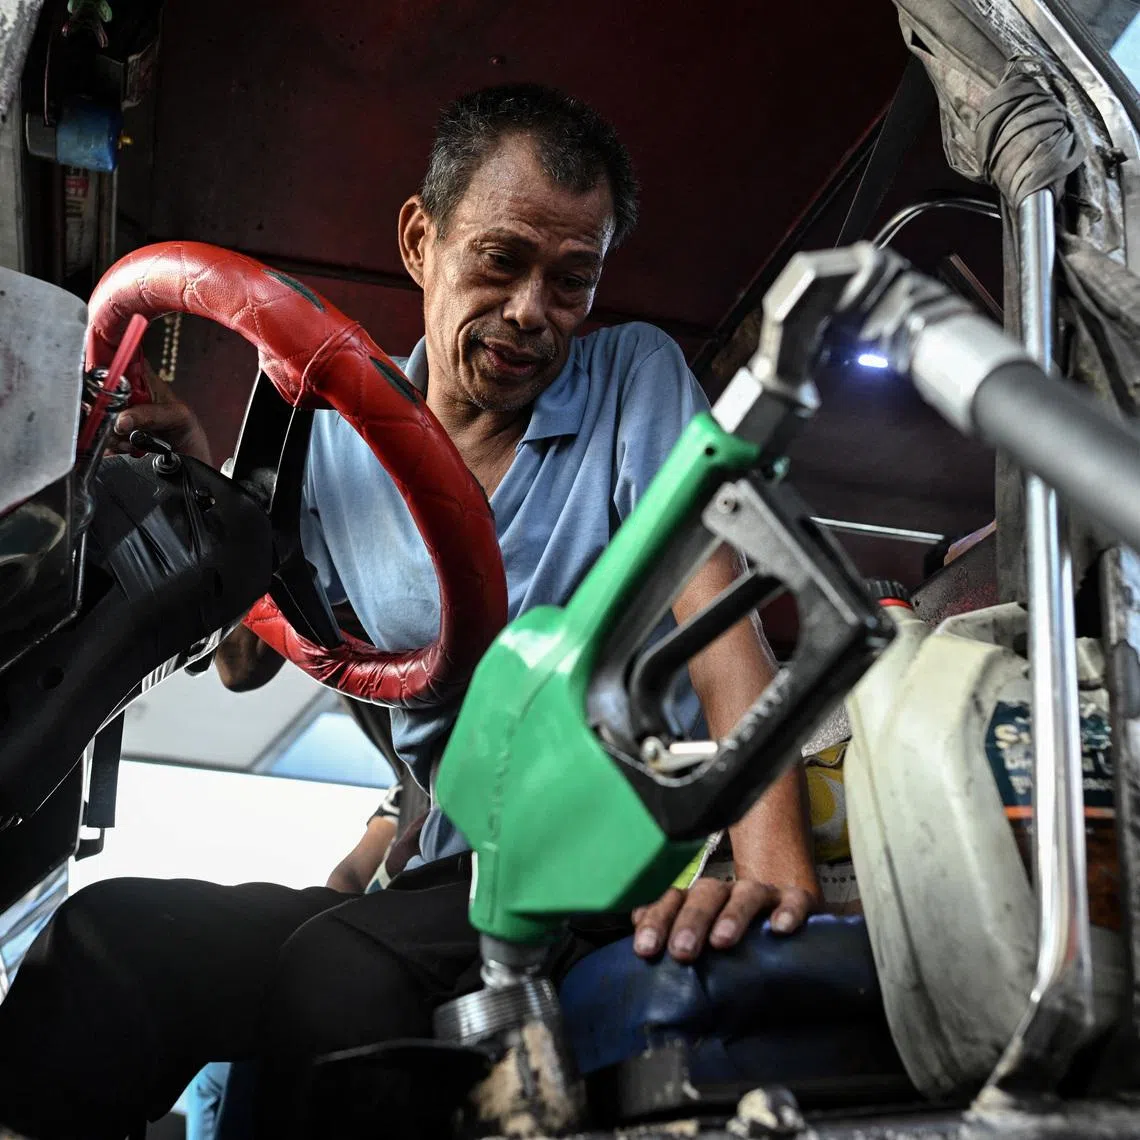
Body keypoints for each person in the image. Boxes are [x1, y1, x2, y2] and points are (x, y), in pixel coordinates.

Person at [0, 84, 820, 1140]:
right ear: (419, 239)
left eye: (573, 281)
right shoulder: (332, 435)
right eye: (501, 261)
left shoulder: (634, 383)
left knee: (340, 970)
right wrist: (212, 500)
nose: (535, 311)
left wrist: (769, 873)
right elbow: (249, 665)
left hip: (599, 853)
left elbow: (722, 632)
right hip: (445, 874)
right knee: (110, 942)